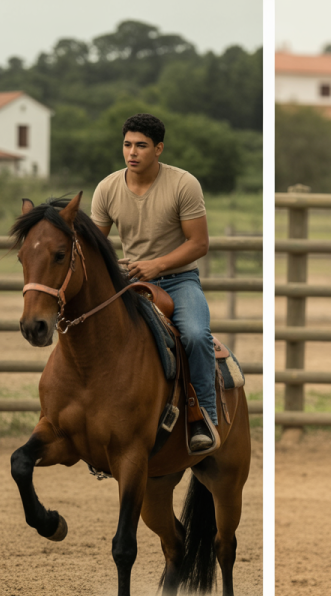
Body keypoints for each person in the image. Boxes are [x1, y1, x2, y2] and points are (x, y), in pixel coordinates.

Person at [91, 113, 217, 452]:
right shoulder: (107, 188)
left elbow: (199, 244)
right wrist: (113, 267)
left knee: (194, 334)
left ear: (158, 149)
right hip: (130, 281)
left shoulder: (183, 184)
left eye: (141, 146)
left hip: (179, 281)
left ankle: (203, 419)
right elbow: (95, 247)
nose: (132, 152)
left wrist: (155, 265)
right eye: (127, 145)